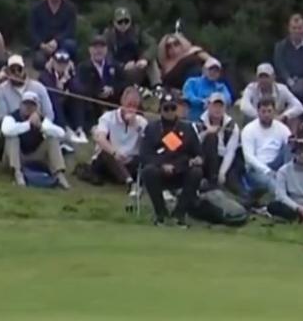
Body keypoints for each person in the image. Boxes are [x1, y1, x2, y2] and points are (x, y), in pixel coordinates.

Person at [139, 94, 203, 226]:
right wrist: (162, 165)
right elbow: (145, 154)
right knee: (148, 171)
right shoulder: (152, 128)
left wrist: (196, 160)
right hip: (159, 170)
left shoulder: (187, 128)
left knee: (196, 172)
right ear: (160, 110)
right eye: (166, 108)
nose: (169, 112)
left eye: (172, 108)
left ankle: (179, 215)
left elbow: (198, 153)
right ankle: (161, 214)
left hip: (181, 170)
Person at [0, 91, 69, 189]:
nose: (28, 107)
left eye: (32, 105)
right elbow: (6, 130)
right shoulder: (11, 117)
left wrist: (41, 127)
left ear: (37, 108)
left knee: (52, 139)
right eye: (26, 104)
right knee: (12, 138)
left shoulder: (41, 120)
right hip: (16, 156)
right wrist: (28, 124)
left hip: (35, 156)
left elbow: (61, 133)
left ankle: (59, 174)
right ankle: (17, 173)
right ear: (20, 105)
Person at [83, 86, 147, 190]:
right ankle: (129, 181)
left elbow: (148, 142)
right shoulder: (108, 117)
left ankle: (129, 178)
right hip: (111, 158)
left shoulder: (141, 122)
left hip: (129, 160)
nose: (131, 109)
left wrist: (135, 126)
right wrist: (114, 152)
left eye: (135, 106)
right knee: (105, 153)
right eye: (129, 105)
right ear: (122, 102)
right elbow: (100, 138)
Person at [241, 97, 294, 199]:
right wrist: (267, 171)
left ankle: (290, 178)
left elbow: (291, 147)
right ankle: (286, 201)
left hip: (277, 164)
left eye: (269, 111)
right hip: (257, 169)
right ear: (258, 112)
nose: (266, 114)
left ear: (274, 112)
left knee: (290, 145)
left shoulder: (282, 128)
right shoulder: (248, 129)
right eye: (263, 111)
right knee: (271, 182)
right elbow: (248, 157)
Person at [29, 0, 78, 70]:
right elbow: (32, 31)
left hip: (62, 45)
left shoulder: (70, 8)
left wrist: (56, 41)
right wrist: (42, 45)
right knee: (39, 62)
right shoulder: (36, 9)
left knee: (70, 46)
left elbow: (70, 30)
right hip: (43, 46)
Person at [195, 92, 241, 193]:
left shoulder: (232, 126)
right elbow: (193, 143)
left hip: (224, 158)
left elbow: (230, 151)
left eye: (221, 106)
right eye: (214, 106)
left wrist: (222, 172)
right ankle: (211, 180)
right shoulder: (199, 122)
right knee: (211, 137)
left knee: (233, 184)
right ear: (208, 106)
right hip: (205, 158)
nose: (218, 109)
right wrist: (206, 132)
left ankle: (249, 201)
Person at [0, 54, 55, 127]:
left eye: (19, 69)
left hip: (38, 128)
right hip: (14, 131)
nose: (16, 73)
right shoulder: (0, 91)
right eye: (13, 70)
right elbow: (1, 119)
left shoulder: (39, 87)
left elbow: (50, 115)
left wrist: (39, 118)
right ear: (7, 72)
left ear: (25, 69)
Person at [77, 35, 124, 132]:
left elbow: (124, 83)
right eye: (95, 47)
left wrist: (112, 89)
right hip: (93, 104)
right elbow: (81, 86)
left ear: (106, 49)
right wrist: (99, 90)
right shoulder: (82, 67)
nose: (98, 50)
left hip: (112, 102)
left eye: (101, 47)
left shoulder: (114, 65)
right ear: (89, 49)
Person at [38, 50, 86, 140]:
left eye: (64, 63)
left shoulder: (71, 74)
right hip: (49, 108)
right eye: (58, 63)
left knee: (77, 95)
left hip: (66, 106)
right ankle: (65, 128)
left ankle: (79, 128)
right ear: (53, 62)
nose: (61, 66)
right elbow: (51, 93)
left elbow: (79, 89)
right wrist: (61, 82)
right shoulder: (45, 75)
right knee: (54, 98)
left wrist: (70, 77)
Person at [103, 7, 153, 86]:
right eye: (120, 22)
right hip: (119, 69)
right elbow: (106, 55)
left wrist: (145, 59)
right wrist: (122, 66)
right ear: (114, 23)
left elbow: (152, 44)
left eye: (126, 21)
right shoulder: (108, 35)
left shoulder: (137, 31)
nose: (123, 24)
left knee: (152, 62)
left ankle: (157, 87)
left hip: (137, 65)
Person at [273, 13, 303, 97]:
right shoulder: (280, 46)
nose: (297, 31)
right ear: (289, 29)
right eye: (294, 28)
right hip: (285, 83)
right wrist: (289, 81)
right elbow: (280, 67)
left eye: (299, 28)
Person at [239, 63, 303, 123]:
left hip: (278, 120)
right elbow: (244, 106)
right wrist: (261, 115)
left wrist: (283, 116)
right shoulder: (251, 88)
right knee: (247, 117)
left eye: (266, 77)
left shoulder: (282, 89)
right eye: (261, 77)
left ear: (273, 77)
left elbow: (299, 107)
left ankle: (291, 135)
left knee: (294, 117)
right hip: (257, 120)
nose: (263, 80)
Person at [182, 57, 232, 122]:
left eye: (216, 71)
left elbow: (227, 99)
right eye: (210, 69)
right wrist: (203, 102)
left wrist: (212, 103)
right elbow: (188, 96)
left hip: (215, 123)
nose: (213, 72)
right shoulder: (192, 82)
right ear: (204, 70)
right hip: (193, 121)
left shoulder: (221, 87)